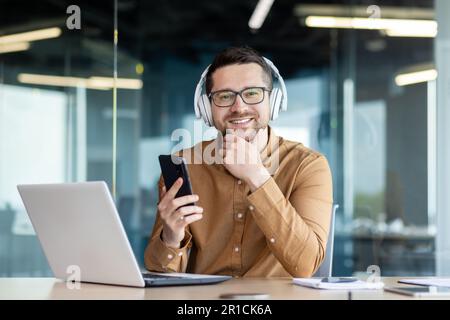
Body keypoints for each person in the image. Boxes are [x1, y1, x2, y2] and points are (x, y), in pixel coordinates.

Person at [144, 46, 333, 277]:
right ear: (206, 108)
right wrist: (172, 238)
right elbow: (160, 274)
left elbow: (305, 265)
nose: (239, 107)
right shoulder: (185, 165)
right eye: (224, 96)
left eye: (252, 93)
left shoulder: (308, 165)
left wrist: (257, 177)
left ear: (273, 101)